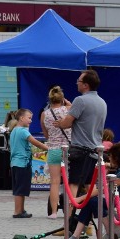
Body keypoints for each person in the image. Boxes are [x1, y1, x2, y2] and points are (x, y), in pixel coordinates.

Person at [58, 143, 120, 239]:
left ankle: (110, 232)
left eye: (110, 156)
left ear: (117, 158)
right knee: (91, 202)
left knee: (94, 201)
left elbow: (104, 189)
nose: (109, 159)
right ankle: (76, 236)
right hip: (119, 203)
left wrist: (79, 199)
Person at [53, 70, 107, 202]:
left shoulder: (80, 100)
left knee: (74, 184)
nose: (77, 83)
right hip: (95, 149)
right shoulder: (102, 102)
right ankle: (93, 215)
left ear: (86, 85)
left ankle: (69, 220)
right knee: (89, 185)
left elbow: (66, 123)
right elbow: (87, 122)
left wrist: (59, 122)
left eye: (79, 81)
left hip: (81, 149)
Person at [9, 109, 49, 218]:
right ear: (21, 118)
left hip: (16, 163)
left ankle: (21, 210)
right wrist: (49, 149)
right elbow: (36, 143)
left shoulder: (14, 130)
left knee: (20, 188)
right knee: (20, 189)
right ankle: (17, 211)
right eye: (29, 118)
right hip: (22, 163)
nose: (31, 121)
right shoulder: (23, 131)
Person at [40, 86, 72, 219]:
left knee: (54, 182)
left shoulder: (44, 114)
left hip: (53, 149)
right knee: (70, 182)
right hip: (69, 149)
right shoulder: (68, 109)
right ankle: (69, 212)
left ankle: (53, 212)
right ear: (62, 98)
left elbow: (46, 135)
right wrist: (67, 102)